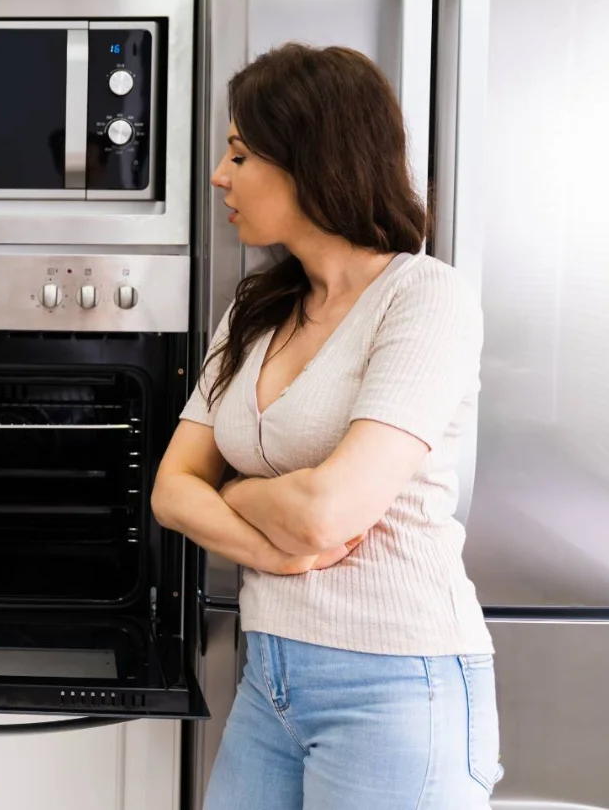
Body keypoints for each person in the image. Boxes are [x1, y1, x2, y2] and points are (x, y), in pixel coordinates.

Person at [151, 43, 502, 808]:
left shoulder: (424, 299)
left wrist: (237, 492)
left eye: (240, 154)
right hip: (271, 674)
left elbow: (327, 514)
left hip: (398, 684)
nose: (219, 175)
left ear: (312, 158)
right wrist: (272, 554)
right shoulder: (257, 310)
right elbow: (172, 492)